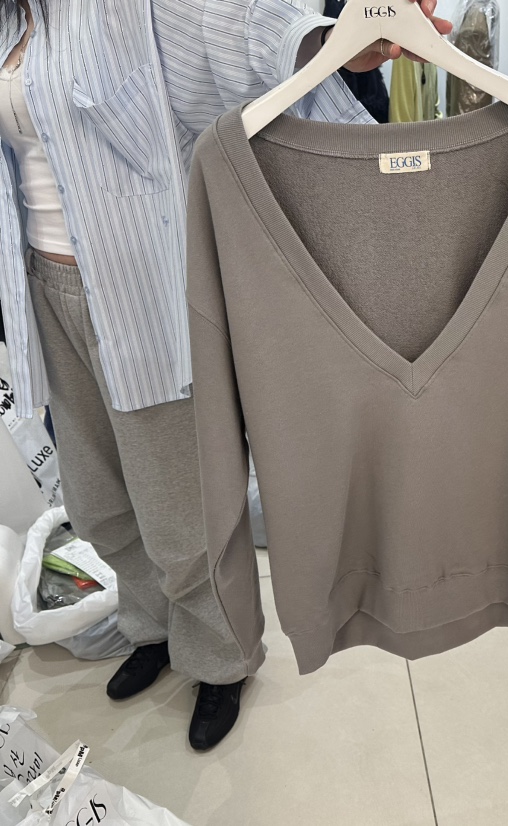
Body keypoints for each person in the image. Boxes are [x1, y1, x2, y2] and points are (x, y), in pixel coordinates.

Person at [0, 0, 451, 751]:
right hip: (42, 291)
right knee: (98, 498)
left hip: (144, 290)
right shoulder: (11, 23)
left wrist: (333, 42)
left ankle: (221, 658)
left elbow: (233, 34)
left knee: (183, 510)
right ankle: (150, 628)